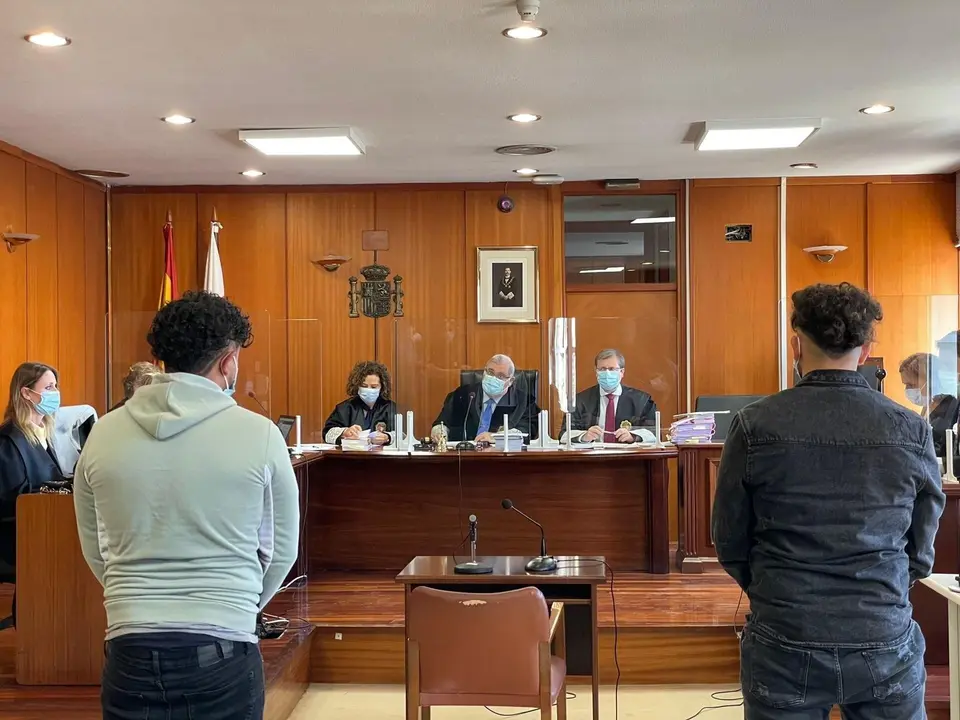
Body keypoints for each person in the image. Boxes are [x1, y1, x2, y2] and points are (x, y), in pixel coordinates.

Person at [712, 282, 944, 719]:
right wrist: (886, 587)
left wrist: (773, 591)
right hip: (883, 632)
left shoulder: (754, 425)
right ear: (867, 349)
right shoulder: (911, 429)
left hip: (785, 633)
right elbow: (921, 547)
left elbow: (729, 541)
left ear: (796, 345)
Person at [73, 290, 300, 720]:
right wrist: (239, 605)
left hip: (129, 641)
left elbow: (95, 547)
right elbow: (282, 550)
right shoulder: (260, 434)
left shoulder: (102, 433)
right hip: (224, 642)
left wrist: (135, 598)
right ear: (228, 361)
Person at [0, 363, 65, 588]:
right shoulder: (8, 441)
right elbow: (14, 499)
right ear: (26, 393)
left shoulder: (43, 435)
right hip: (21, 536)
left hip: (48, 526)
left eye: (55, 386)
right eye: (48, 387)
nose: (55, 393)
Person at [432, 354, 539, 443]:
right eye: (490, 372)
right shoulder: (463, 394)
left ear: (510, 381)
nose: (493, 378)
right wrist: (439, 431)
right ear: (484, 372)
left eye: (500, 376)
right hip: (464, 456)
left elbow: (526, 431)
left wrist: (496, 437)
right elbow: (442, 422)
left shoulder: (524, 401)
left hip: (503, 458)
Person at [562, 349, 658, 444]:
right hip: (593, 453)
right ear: (596, 372)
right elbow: (564, 434)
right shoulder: (580, 401)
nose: (607, 373)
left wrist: (633, 436)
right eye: (602, 369)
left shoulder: (642, 401)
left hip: (627, 453)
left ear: (622, 372)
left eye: (612, 369)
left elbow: (654, 432)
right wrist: (584, 436)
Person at [323, 360, 400, 446]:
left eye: (374, 387)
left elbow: (403, 434)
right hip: (352, 453)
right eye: (364, 386)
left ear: (382, 387)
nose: (369, 390)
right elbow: (327, 433)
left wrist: (388, 437)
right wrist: (344, 432)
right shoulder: (345, 408)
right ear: (357, 386)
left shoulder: (390, 407)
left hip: (381, 454)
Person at [900, 351, 960, 458]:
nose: (907, 390)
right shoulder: (928, 406)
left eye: (911, 385)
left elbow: (944, 449)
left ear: (930, 381)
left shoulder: (952, 408)